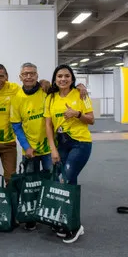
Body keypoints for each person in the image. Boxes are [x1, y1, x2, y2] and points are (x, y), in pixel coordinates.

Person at [44, 64, 94, 244]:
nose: (63, 79)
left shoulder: (82, 94)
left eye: (66, 76)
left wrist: (77, 113)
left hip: (80, 143)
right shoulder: (50, 98)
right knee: (66, 182)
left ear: (72, 79)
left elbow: (91, 119)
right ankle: (65, 219)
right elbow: (48, 125)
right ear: (55, 79)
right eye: (59, 76)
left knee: (66, 181)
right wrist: (53, 149)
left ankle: (74, 225)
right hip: (62, 144)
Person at [10, 62, 52, 231]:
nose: (29, 76)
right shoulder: (17, 98)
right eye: (25, 74)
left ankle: (50, 214)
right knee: (30, 184)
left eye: (32, 73)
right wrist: (27, 147)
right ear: (20, 77)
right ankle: (31, 216)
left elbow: (67, 87)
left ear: (37, 75)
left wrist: (81, 86)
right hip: (30, 151)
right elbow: (16, 126)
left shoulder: (46, 91)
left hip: (49, 149)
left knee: (51, 181)